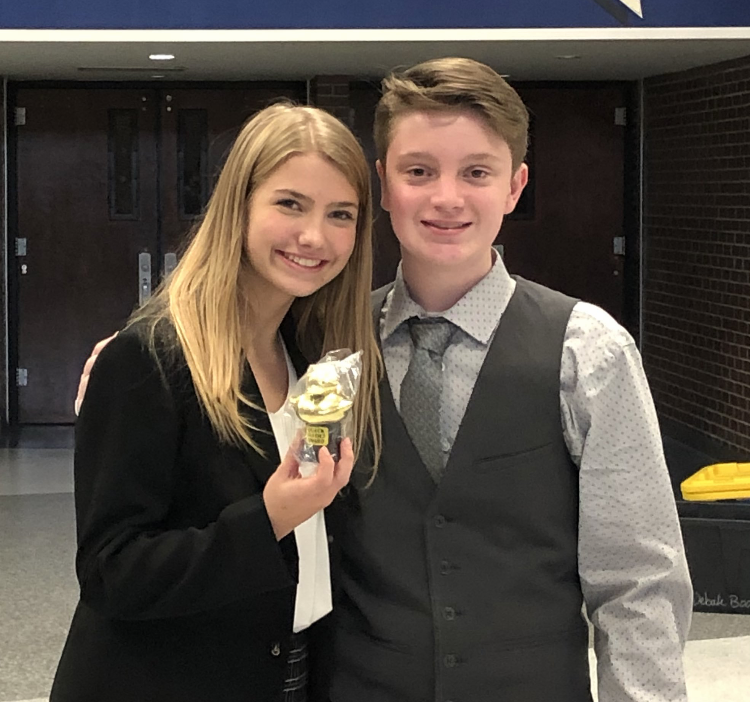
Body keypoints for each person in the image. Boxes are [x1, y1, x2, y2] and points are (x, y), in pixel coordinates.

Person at [76, 59, 693, 702]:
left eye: (477, 172)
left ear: (515, 186)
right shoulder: (327, 346)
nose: (446, 197)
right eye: (419, 171)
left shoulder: (588, 353)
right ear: (385, 186)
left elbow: (639, 581)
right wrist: (129, 356)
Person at [52, 102, 382, 702]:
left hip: (288, 671)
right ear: (240, 205)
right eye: (290, 204)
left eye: (341, 214)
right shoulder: (150, 358)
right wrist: (269, 519)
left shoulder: (313, 358)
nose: (315, 236)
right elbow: (111, 571)